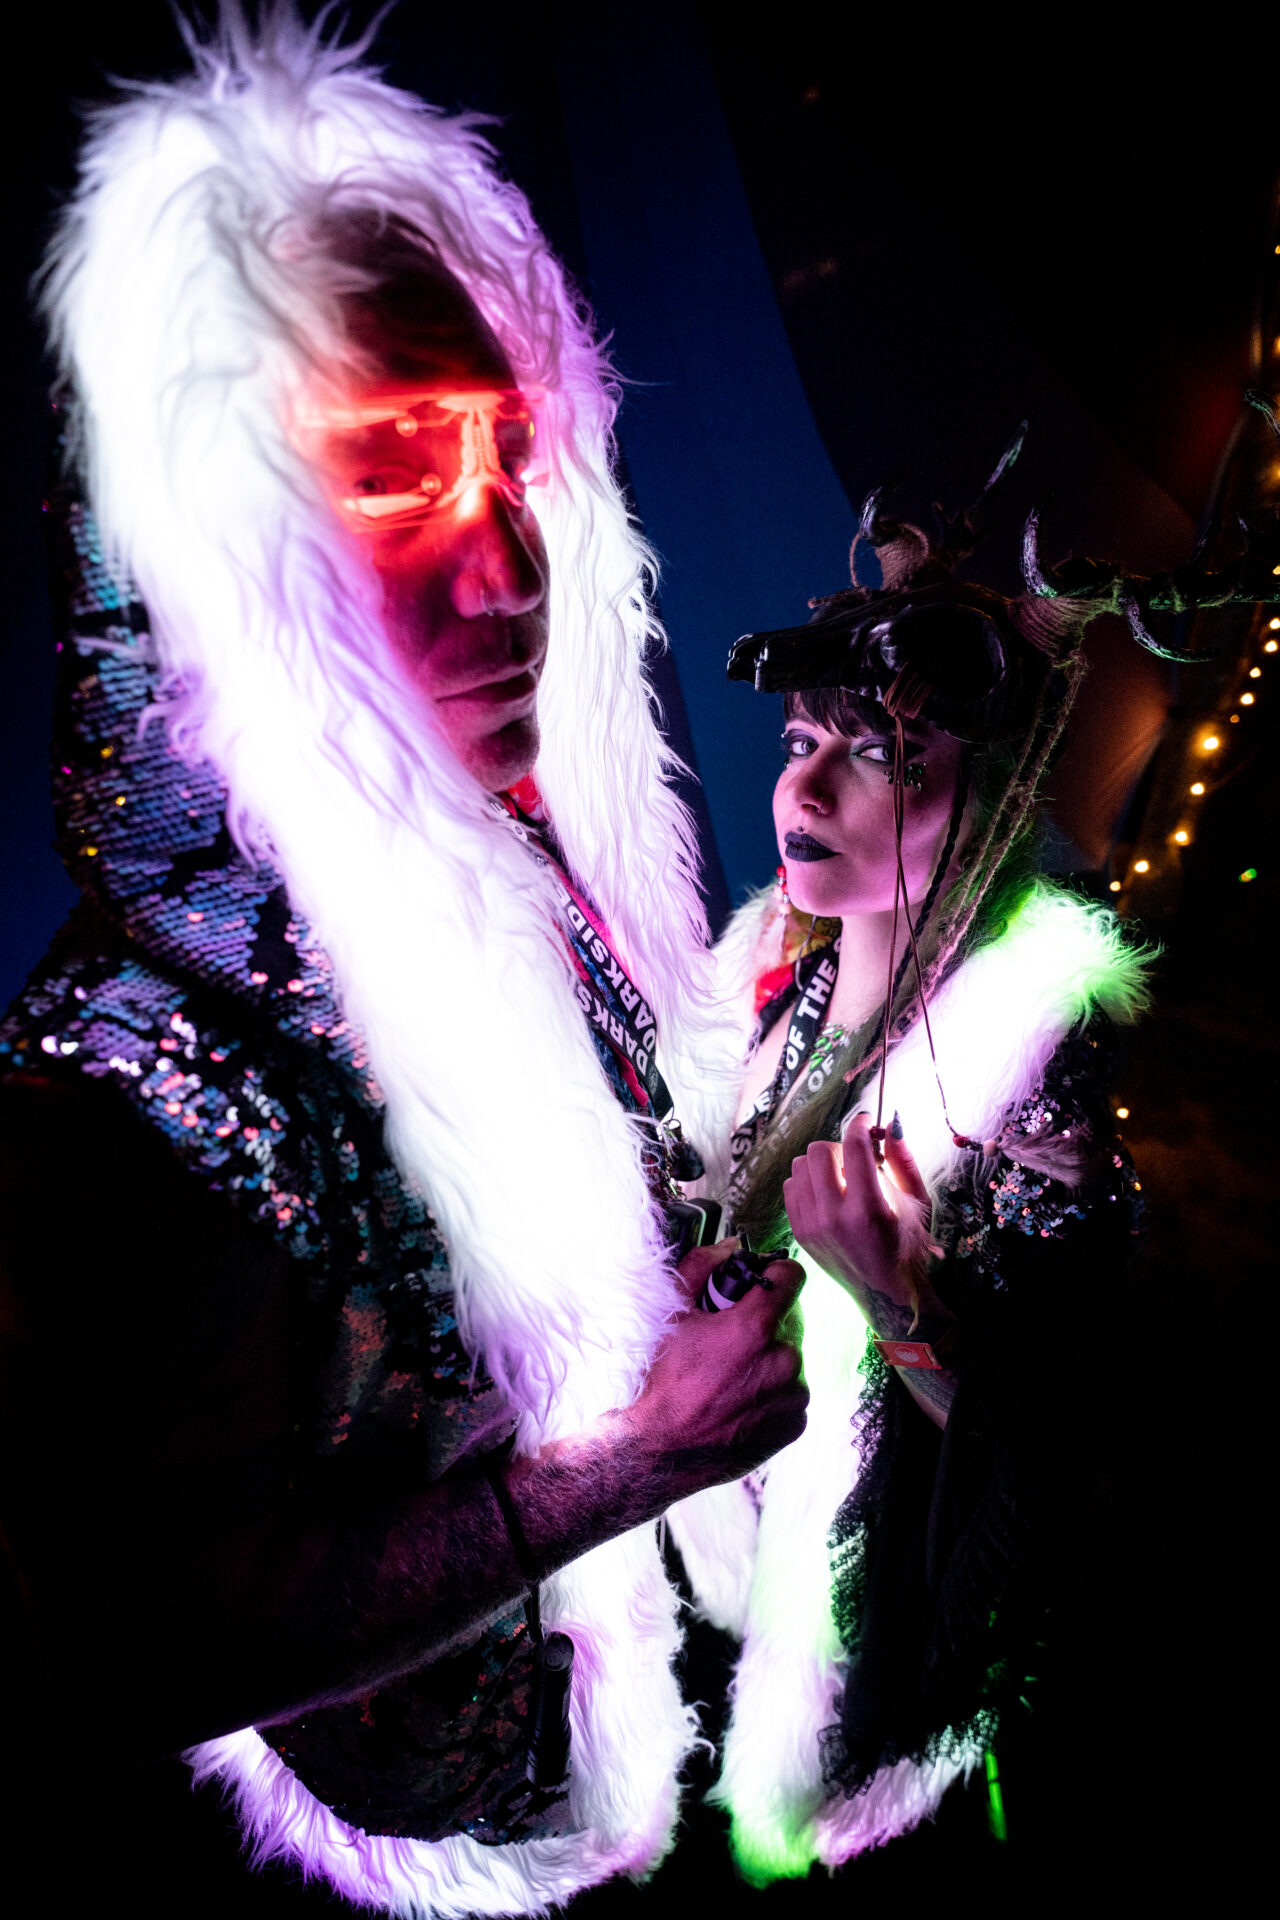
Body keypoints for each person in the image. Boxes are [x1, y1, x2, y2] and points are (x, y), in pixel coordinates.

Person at [0, 11, 805, 1913]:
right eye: (387, 474)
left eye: (506, 465)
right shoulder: (126, 1071)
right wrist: (628, 1468)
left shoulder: (512, 863)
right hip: (420, 1862)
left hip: (635, 1760)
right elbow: (133, 1663)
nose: (506, 570)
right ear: (206, 543)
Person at [664, 479, 1169, 1881]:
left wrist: (904, 1299)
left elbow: (1050, 1445)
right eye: (798, 739)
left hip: (874, 1643)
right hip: (715, 1581)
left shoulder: (1018, 1084)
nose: (803, 789)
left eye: (878, 755)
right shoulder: (765, 984)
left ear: (987, 794)